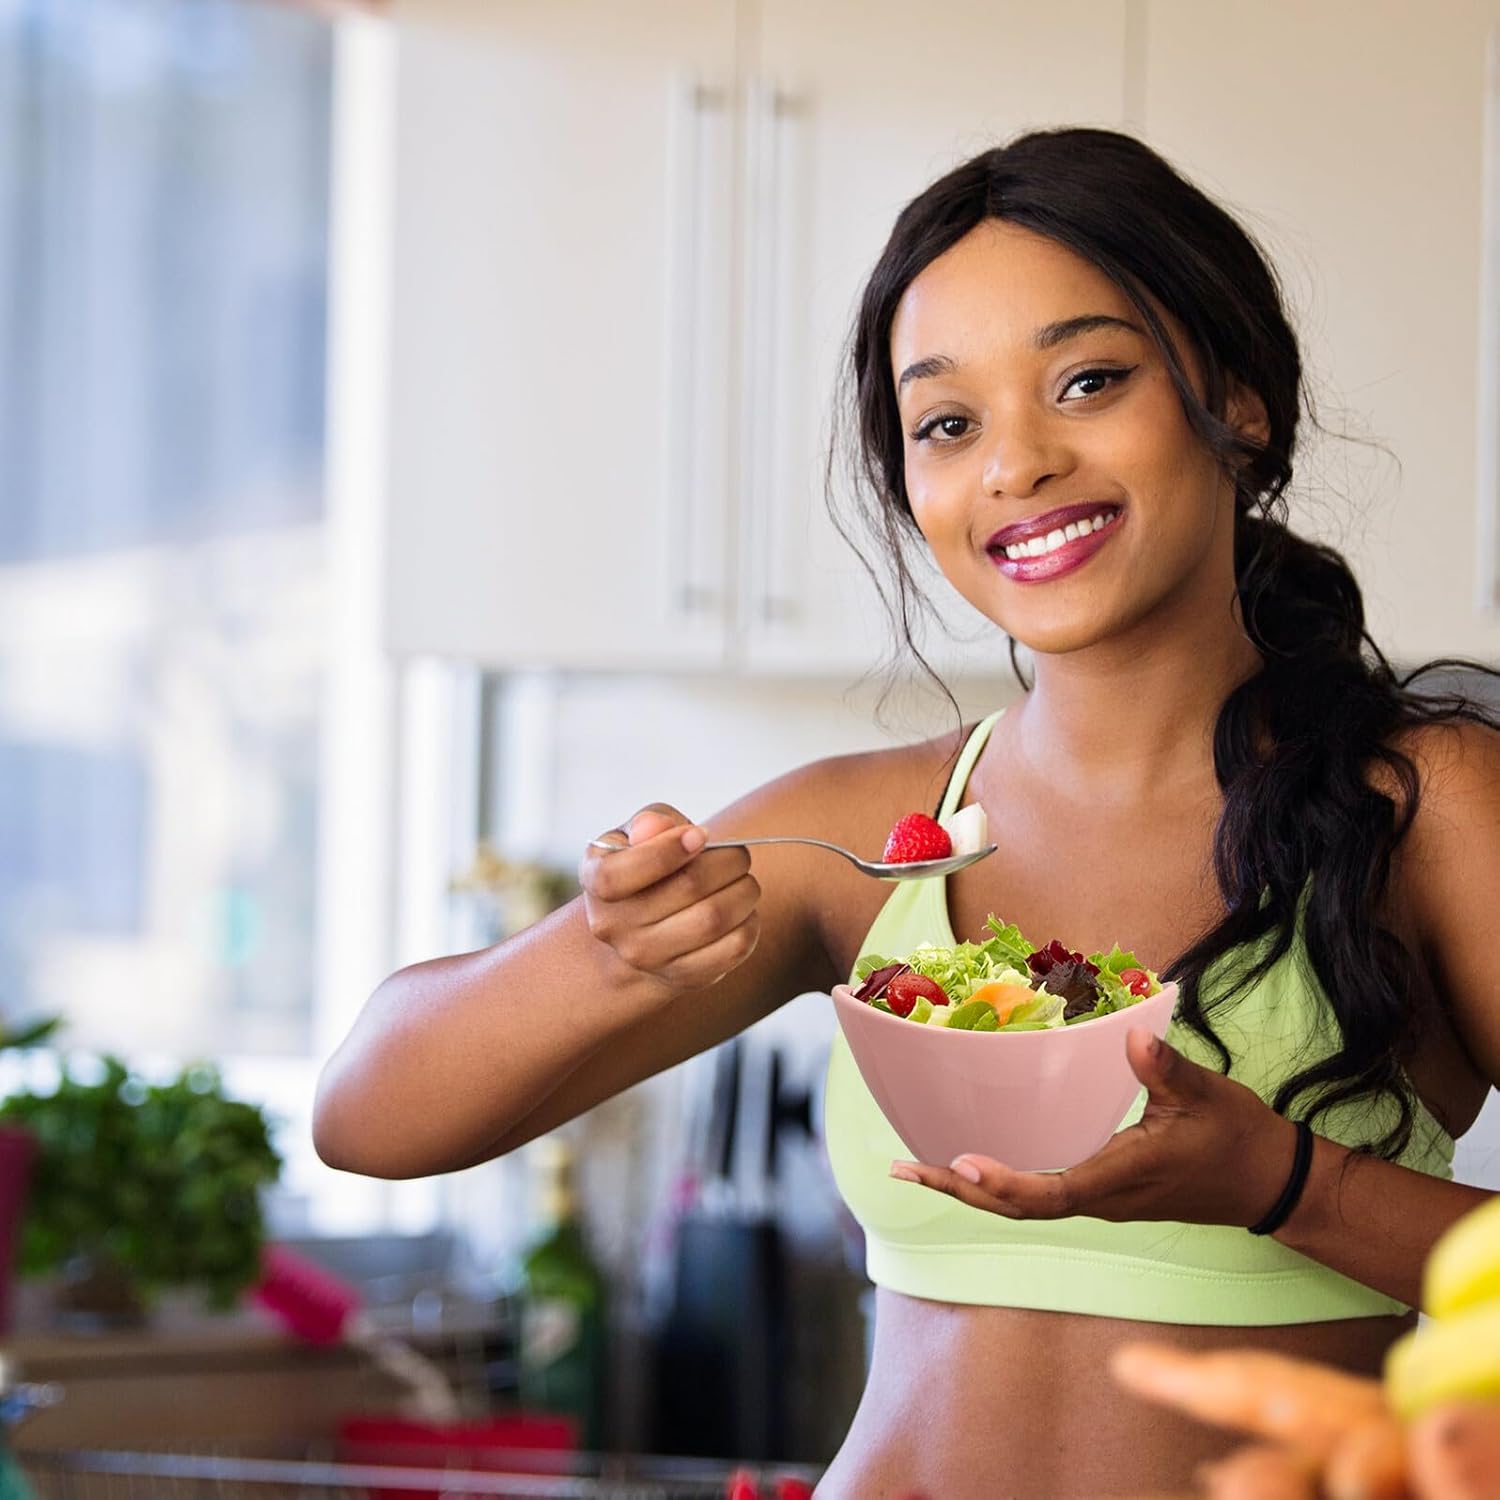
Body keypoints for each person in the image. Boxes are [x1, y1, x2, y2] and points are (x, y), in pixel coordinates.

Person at [313, 128, 1500, 1497]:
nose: (1018, 463)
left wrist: (1286, 1185)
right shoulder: (875, 834)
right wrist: (604, 952)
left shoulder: (1424, 809)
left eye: (1089, 380)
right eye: (948, 422)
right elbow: (369, 1119)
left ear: (1236, 402)